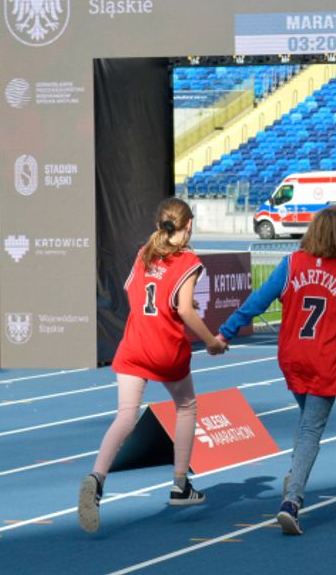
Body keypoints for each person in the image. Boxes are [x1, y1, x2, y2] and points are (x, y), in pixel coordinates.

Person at [217, 207, 336, 534]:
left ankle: (295, 474)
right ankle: (292, 500)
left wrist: (226, 331)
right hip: (325, 359)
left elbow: (257, 302)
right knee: (311, 430)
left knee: (307, 421)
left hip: (293, 355)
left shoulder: (291, 264)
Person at [78, 198, 227, 534]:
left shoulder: (145, 252)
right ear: (188, 226)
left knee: (125, 415)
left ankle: (97, 477)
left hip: (134, 344)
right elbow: (186, 311)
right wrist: (213, 342)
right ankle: (179, 484)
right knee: (186, 406)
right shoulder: (188, 260)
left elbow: (132, 291)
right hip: (165, 349)